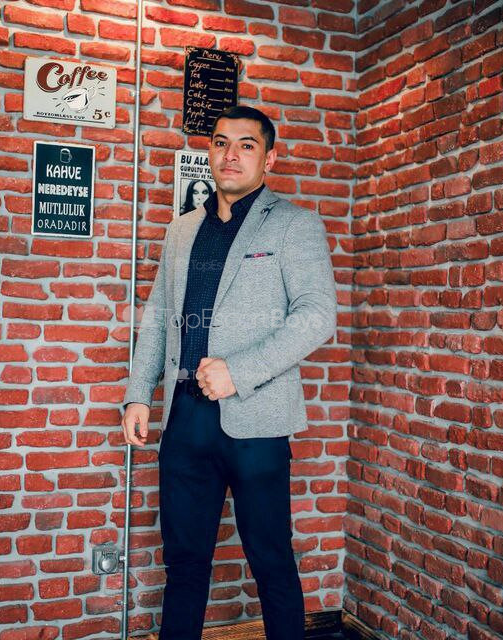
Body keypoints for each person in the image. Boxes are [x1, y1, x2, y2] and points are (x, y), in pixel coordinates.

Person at [121, 105, 337, 640]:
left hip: (257, 421)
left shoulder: (294, 224)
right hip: (184, 419)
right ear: (209, 152)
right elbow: (158, 316)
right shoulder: (181, 230)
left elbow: (317, 316)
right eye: (221, 143)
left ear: (270, 158)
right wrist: (138, 393)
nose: (231, 155)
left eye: (246, 145)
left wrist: (238, 372)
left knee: (271, 560)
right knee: (184, 563)